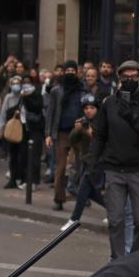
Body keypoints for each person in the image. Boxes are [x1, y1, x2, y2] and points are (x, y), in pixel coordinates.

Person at [89, 61, 139, 258]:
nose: (129, 81)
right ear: (119, 79)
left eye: (133, 77)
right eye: (125, 77)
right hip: (115, 169)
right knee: (116, 220)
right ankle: (118, 261)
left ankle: (135, 259)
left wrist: (133, 118)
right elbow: (100, 135)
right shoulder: (109, 103)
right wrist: (91, 163)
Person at [46, 61, 88, 212]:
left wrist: (83, 123)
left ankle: (82, 195)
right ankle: (58, 199)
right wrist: (49, 134)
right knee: (61, 168)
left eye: (73, 70)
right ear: (63, 72)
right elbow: (50, 113)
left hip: (78, 133)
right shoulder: (56, 91)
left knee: (79, 165)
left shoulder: (83, 90)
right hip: (62, 132)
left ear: (77, 72)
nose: (70, 72)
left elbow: (89, 111)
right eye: (67, 70)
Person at [61, 95, 105, 230]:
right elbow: (72, 139)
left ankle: (74, 219)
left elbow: (100, 140)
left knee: (82, 190)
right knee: (90, 192)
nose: (89, 111)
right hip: (86, 161)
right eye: (86, 108)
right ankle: (116, 210)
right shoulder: (84, 122)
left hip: (98, 162)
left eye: (92, 108)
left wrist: (87, 132)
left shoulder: (102, 122)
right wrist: (78, 130)